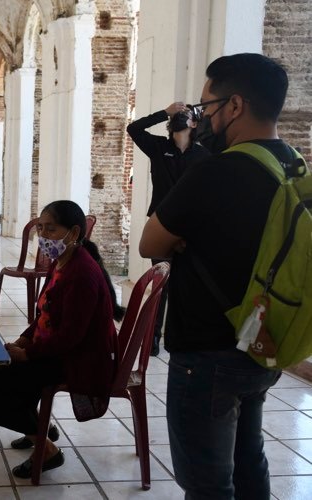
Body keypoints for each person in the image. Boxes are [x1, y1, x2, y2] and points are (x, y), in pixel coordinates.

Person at [139, 53, 289, 499]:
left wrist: (184, 237)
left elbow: (151, 244)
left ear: (235, 106)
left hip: (207, 351)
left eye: (207, 107)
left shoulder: (216, 171)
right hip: (263, 343)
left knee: (207, 482)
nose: (202, 118)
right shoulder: (294, 166)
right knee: (248, 463)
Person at [0, 200, 124, 479]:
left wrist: (28, 354)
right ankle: (35, 426)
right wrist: (25, 339)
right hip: (61, 350)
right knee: (1, 365)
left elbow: (70, 337)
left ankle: (46, 449)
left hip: (79, 358)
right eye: (41, 229)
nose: (44, 237)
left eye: (51, 229)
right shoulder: (62, 263)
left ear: (73, 232)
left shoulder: (81, 274)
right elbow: (45, 312)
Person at [127, 102, 210, 355]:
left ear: (194, 123)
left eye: (184, 115)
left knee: (184, 285)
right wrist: (165, 111)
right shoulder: (159, 148)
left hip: (190, 229)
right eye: (176, 116)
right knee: (161, 281)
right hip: (160, 225)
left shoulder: (203, 156)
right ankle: (152, 338)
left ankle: (180, 335)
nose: (179, 118)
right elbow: (134, 128)